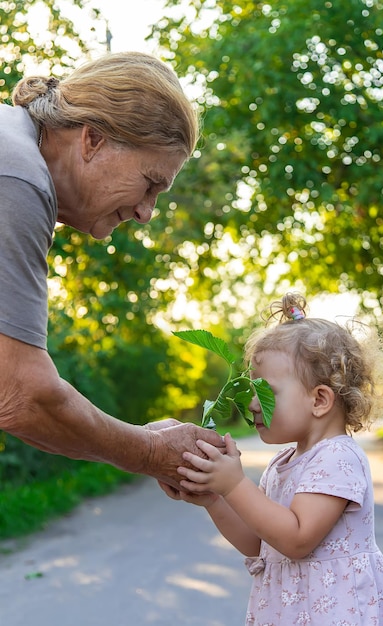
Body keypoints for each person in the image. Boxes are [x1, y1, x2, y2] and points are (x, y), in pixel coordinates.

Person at [0, 51, 225, 488]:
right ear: (94, 140)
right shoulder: (18, 179)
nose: (146, 213)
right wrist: (151, 452)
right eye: (151, 183)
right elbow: (20, 394)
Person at [160, 292, 383, 624]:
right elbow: (259, 543)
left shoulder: (337, 457)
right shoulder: (283, 463)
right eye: (250, 390)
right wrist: (214, 499)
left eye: (266, 392)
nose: (253, 404)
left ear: (319, 400)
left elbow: (297, 539)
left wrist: (234, 486)